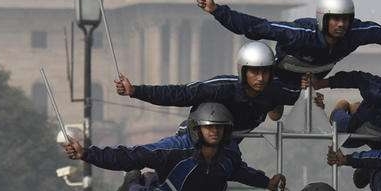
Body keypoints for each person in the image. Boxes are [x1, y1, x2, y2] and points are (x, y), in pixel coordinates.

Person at [195, 0, 381, 89]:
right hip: (284, 70)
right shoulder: (299, 34)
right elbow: (256, 27)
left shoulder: (356, 33)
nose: (341, 25)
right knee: (272, 103)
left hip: (315, 77)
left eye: (345, 19)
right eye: (335, 19)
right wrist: (218, 11)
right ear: (323, 19)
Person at [63, 102, 284, 191]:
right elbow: (128, 155)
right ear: (197, 129)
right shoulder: (174, 149)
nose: (214, 132)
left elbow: (240, 172)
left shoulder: (229, 155)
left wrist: (267, 183)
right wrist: (86, 153)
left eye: (219, 127)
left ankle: (149, 177)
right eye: (209, 127)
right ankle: (133, 181)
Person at [113, 42, 299, 138]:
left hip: (226, 148)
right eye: (254, 72)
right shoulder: (221, 88)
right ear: (243, 71)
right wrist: (136, 90)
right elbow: (180, 94)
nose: (260, 78)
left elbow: (295, 91)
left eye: (265, 72)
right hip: (192, 139)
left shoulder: (278, 92)